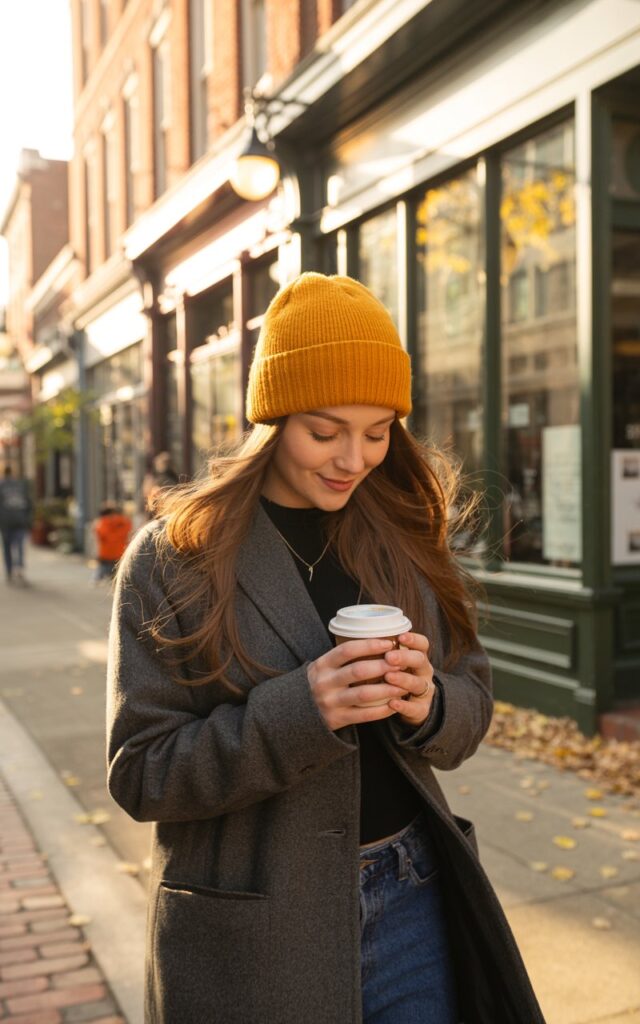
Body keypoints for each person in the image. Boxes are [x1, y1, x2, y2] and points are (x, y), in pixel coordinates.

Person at [107, 274, 545, 1024]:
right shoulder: (172, 559)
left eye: (378, 432)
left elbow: (472, 701)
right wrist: (299, 711)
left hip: (413, 899)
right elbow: (142, 775)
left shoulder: (402, 536)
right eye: (325, 431)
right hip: (256, 925)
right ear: (273, 419)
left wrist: (430, 703)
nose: (354, 458)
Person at [0, 466, 33, 584]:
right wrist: (28, 520)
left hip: (6, 523)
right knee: (19, 546)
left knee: (7, 548)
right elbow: (29, 504)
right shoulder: (20, 485)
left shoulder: (2, 485)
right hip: (20, 521)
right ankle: (19, 568)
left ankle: (9, 571)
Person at [92, 503, 132, 582]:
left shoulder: (101, 523)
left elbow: (99, 534)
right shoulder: (124, 522)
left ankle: (97, 579)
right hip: (119, 553)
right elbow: (129, 531)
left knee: (100, 573)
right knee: (119, 575)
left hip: (105, 553)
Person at [141, 451, 179, 518]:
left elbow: (147, 493)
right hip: (166, 510)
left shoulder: (158, 478)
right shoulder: (173, 477)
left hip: (164, 510)